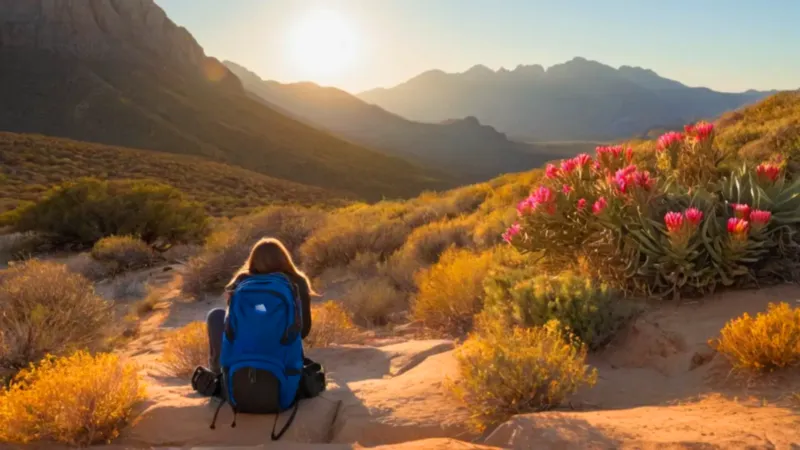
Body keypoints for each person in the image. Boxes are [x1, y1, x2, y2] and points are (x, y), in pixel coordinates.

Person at [205, 237, 316, 375]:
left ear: (253, 259)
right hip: (281, 352)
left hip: (242, 351)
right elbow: (304, 330)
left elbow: (231, 319)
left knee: (215, 315)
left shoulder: (243, 279)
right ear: (284, 258)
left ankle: (218, 370)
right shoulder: (298, 281)